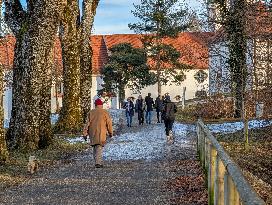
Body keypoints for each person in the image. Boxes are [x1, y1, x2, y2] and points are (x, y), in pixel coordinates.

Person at [83, 98, 113, 168]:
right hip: (101, 132)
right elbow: (109, 123)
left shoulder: (91, 112)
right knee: (99, 146)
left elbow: (87, 124)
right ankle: (98, 163)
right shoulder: (105, 112)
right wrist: (110, 132)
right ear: (101, 105)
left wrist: (85, 133)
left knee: (95, 146)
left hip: (92, 132)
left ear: (95, 105)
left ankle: (96, 161)